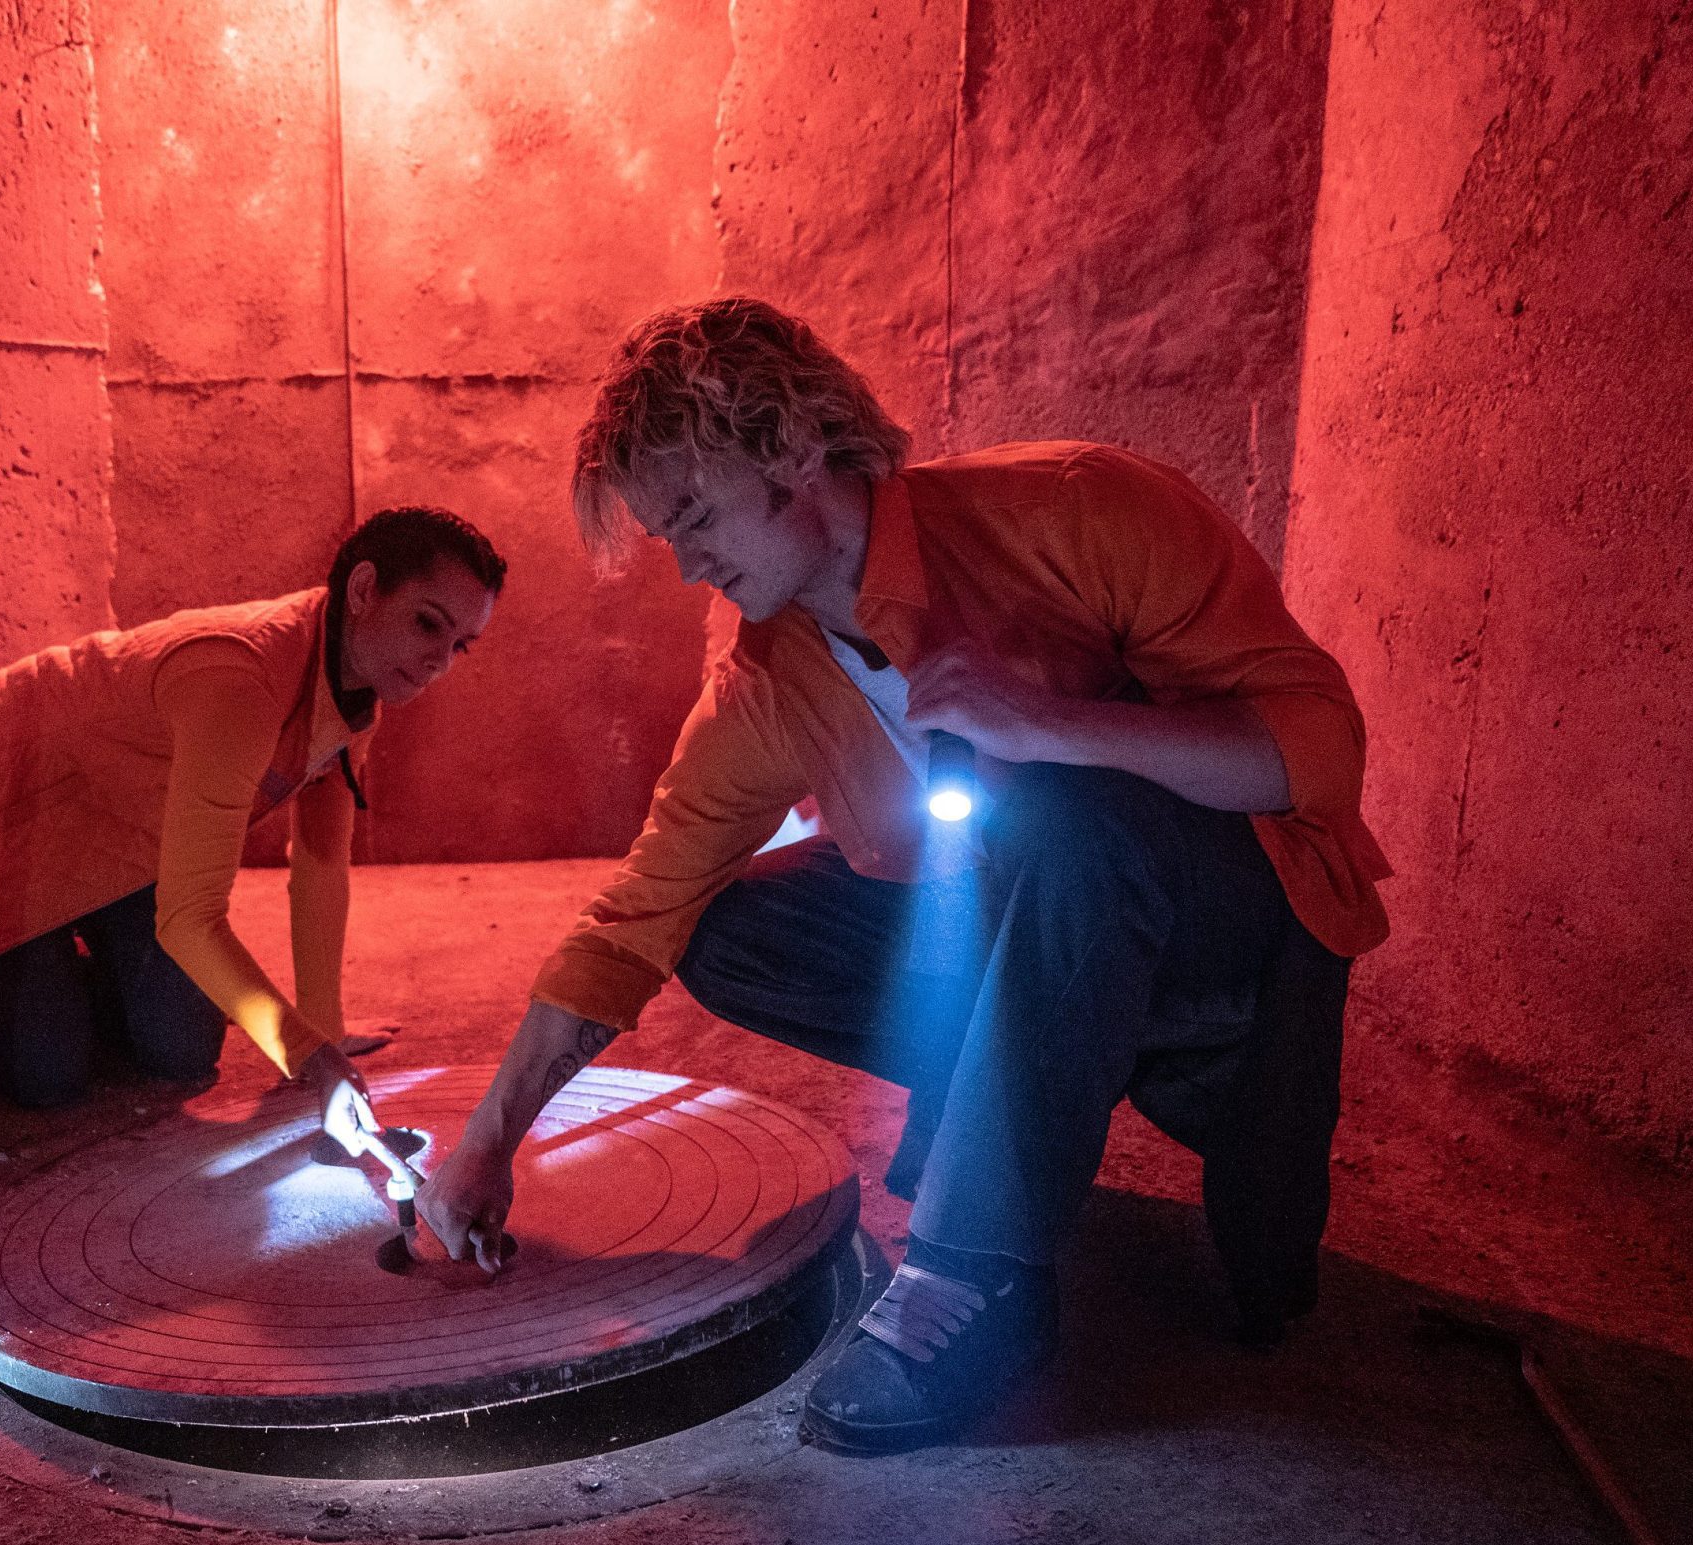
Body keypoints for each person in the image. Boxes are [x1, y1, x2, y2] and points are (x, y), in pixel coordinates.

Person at [415, 298, 1389, 1454]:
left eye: (692, 517)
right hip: (1030, 944)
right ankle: (1018, 1105)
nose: (685, 567)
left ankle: (974, 1277)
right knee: (727, 924)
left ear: (790, 448)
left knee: (1066, 818)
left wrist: (1057, 723)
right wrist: (489, 1136)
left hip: (1231, 923)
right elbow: (636, 917)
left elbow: (1320, 755)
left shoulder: (1083, 509)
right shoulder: (769, 681)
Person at [0, 506, 504, 1144]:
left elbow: (319, 862)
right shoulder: (241, 678)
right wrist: (311, 1061)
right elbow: (189, 917)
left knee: (182, 1051)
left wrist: (322, 1028)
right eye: (428, 624)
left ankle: (63, 962)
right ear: (364, 590)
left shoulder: (357, 692)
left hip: (124, 834)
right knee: (47, 1077)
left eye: (459, 644)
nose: (438, 663)